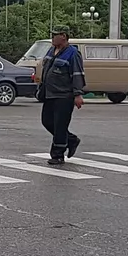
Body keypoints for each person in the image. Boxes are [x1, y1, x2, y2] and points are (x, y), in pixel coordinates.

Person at [36, 27, 85, 165]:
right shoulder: (51, 50)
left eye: (54, 35)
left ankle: (58, 155)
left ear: (63, 36)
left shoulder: (73, 53)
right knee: (47, 122)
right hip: (49, 94)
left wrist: (78, 94)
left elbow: (77, 74)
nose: (52, 38)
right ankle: (71, 140)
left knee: (60, 126)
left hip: (64, 95)